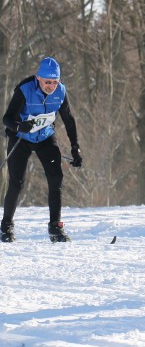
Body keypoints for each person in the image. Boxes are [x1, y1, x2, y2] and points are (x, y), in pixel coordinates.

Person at [1, 57, 83, 243]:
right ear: (38, 78)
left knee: (56, 178)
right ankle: (6, 226)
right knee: (17, 182)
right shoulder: (25, 89)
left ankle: (55, 228)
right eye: (48, 82)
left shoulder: (60, 92)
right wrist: (19, 127)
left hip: (45, 137)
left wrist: (75, 149)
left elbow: (69, 121)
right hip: (21, 138)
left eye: (55, 82)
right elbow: (7, 118)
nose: (51, 86)